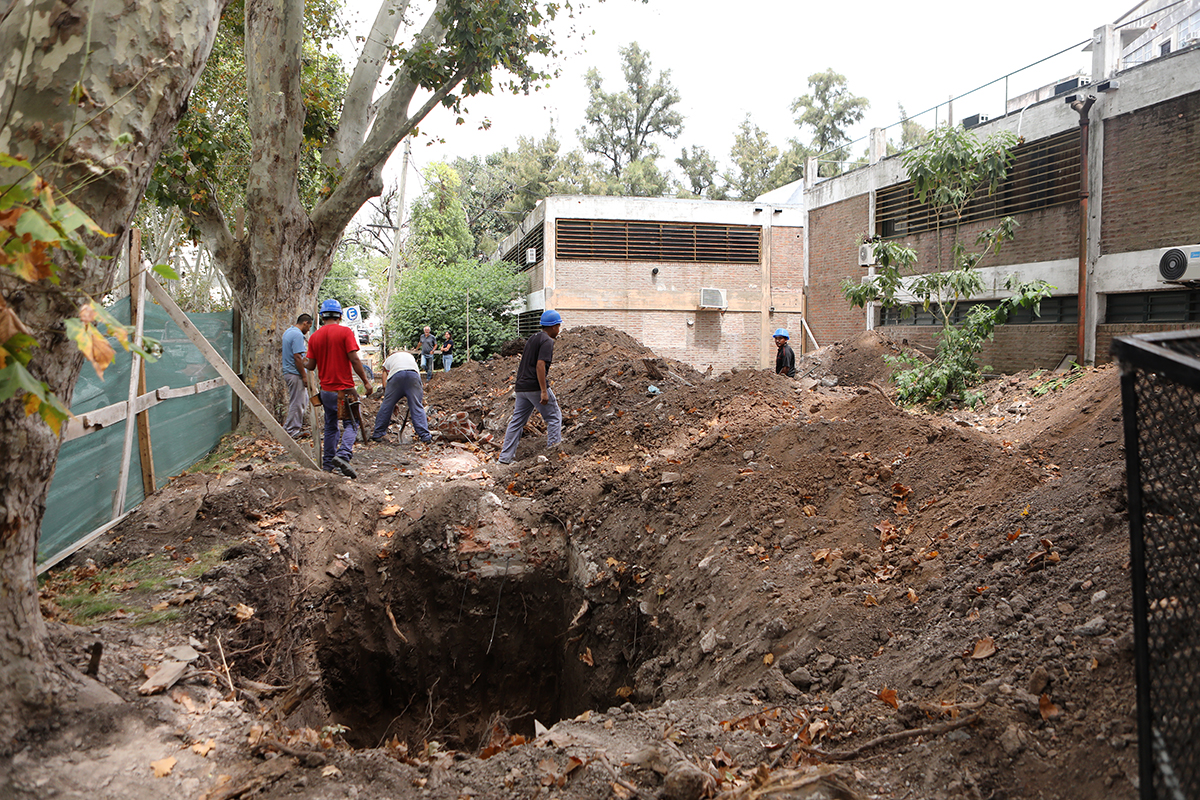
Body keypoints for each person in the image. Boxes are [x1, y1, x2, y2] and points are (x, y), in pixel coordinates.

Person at [304, 299, 373, 478]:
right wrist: (366, 382)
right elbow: (354, 359)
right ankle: (343, 455)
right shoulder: (345, 332)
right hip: (345, 390)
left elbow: (310, 365)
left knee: (331, 426)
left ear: (322, 316)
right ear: (340, 316)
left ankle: (328, 465)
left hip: (326, 391)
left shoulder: (314, 337)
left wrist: (301, 360)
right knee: (352, 423)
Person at [497, 309, 563, 465]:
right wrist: (543, 391)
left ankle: (504, 459)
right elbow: (540, 365)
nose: (559, 329)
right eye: (559, 326)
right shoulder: (547, 341)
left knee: (517, 421)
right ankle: (554, 456)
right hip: (535, 386)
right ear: (553, 326)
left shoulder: (533, 338)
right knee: (554, 417)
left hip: (522, 387)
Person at [370, 349, 433, 445]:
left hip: (396, 376)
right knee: (416, 406)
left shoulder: (389, 359)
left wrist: (390, 398)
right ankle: (425, 436)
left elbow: (384, 378)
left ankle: (378, 434)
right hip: (413, 376)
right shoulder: (410, 357)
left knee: (386, 405)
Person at [281, 313, 312, 439]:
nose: (308, 330)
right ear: (305, 323)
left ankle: (291, 427)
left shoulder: (289, 332)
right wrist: (304, 376)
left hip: (289, 372)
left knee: (302, 400)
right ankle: (291, 430)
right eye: (309, 326)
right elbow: (297, 357)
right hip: (294, 373)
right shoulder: (297, 335)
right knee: (297, 403)